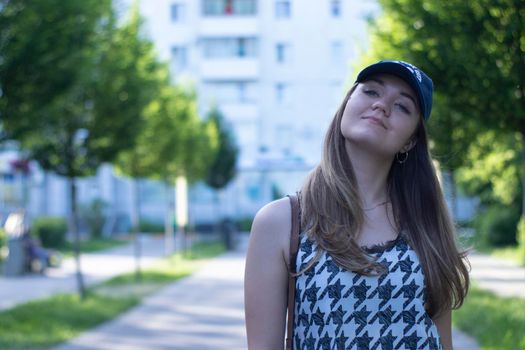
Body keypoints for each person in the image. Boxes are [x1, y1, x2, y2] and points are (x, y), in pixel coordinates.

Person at [244, 60, 470, 350]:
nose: (382, 106)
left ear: (410, 141)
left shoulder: (425, 225)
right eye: (371, 92)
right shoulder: (281, 223)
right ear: (346, 104)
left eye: (402, 106)